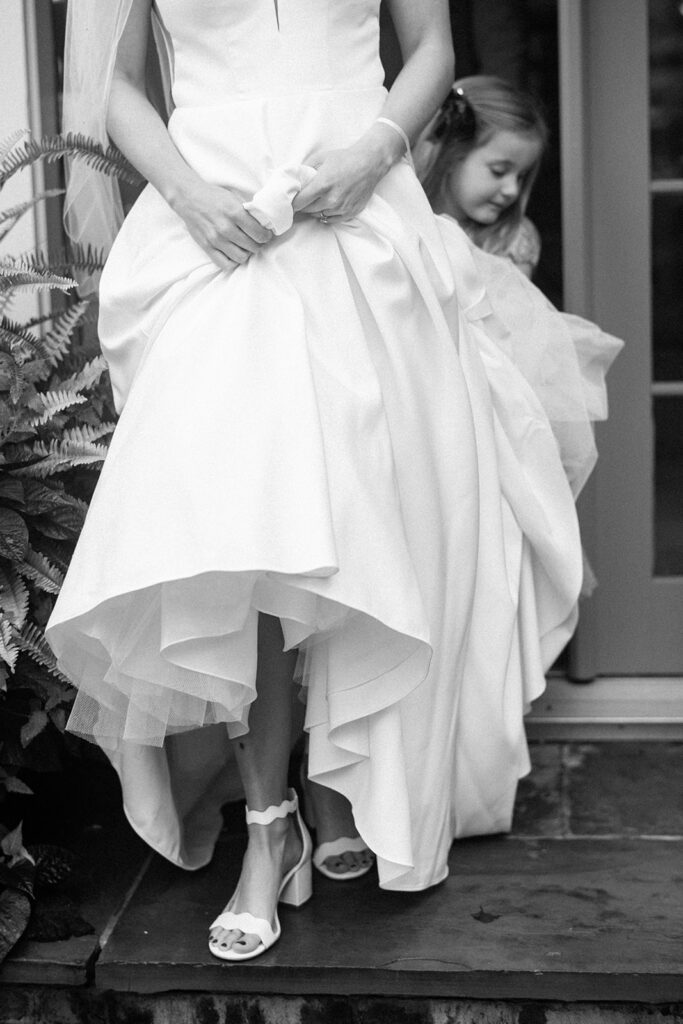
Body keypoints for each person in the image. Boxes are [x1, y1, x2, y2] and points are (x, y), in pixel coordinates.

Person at [47, 0, 618, 965]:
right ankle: (269, 826)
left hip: (363, 221)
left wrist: (374, 151)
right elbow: (118, 87)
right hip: (215, 235)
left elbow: (431, 47)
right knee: (247, 530)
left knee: (364, 526)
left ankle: (332, 787)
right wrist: (188, 197)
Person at [416, 75, 546, 277]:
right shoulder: (406, 223)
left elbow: (517, 307)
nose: (513, 190)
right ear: (452, 154)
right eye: (499, 171)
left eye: (521, 176)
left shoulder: (511, 239)